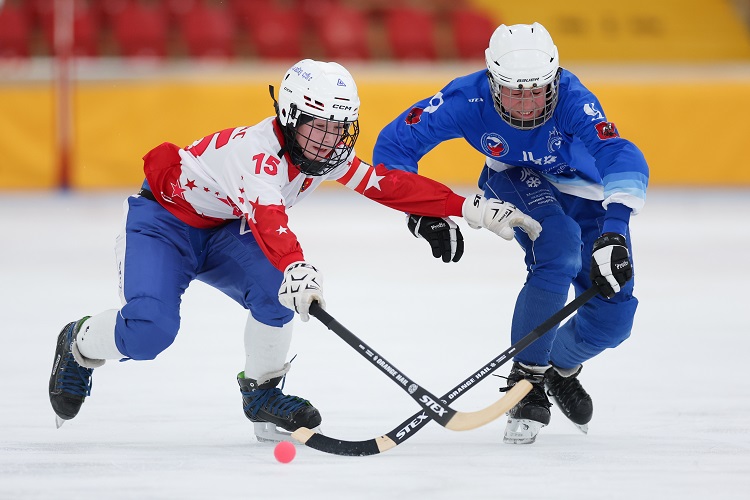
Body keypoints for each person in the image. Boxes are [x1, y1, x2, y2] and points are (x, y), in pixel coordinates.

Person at [48, 59, 542, 443]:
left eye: (338, 128)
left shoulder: (319, 154)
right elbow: (268, 219)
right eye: (318, 127)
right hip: (164, 225)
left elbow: (384, 184)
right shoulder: (256, 152)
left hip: (222, 227)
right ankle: (78, 343)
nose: (329, 142)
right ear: (289, 115)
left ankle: (262, 393)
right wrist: (297, 267)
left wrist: (470, 207)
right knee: (151, 331)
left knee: (276, 294)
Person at [373, 23, 648, 444]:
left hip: (585, 192)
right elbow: (392, 149)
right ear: (491, 80)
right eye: (514, 92)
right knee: (559, 248)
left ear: (554, 79)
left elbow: (618, 152)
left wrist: (615, 228)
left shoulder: (573, 97)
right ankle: (527, 380)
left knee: (613, 319)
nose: (527, 104)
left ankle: (558, 366)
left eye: (537, 91)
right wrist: (420, 213)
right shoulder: (466, 98)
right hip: (515, 178)